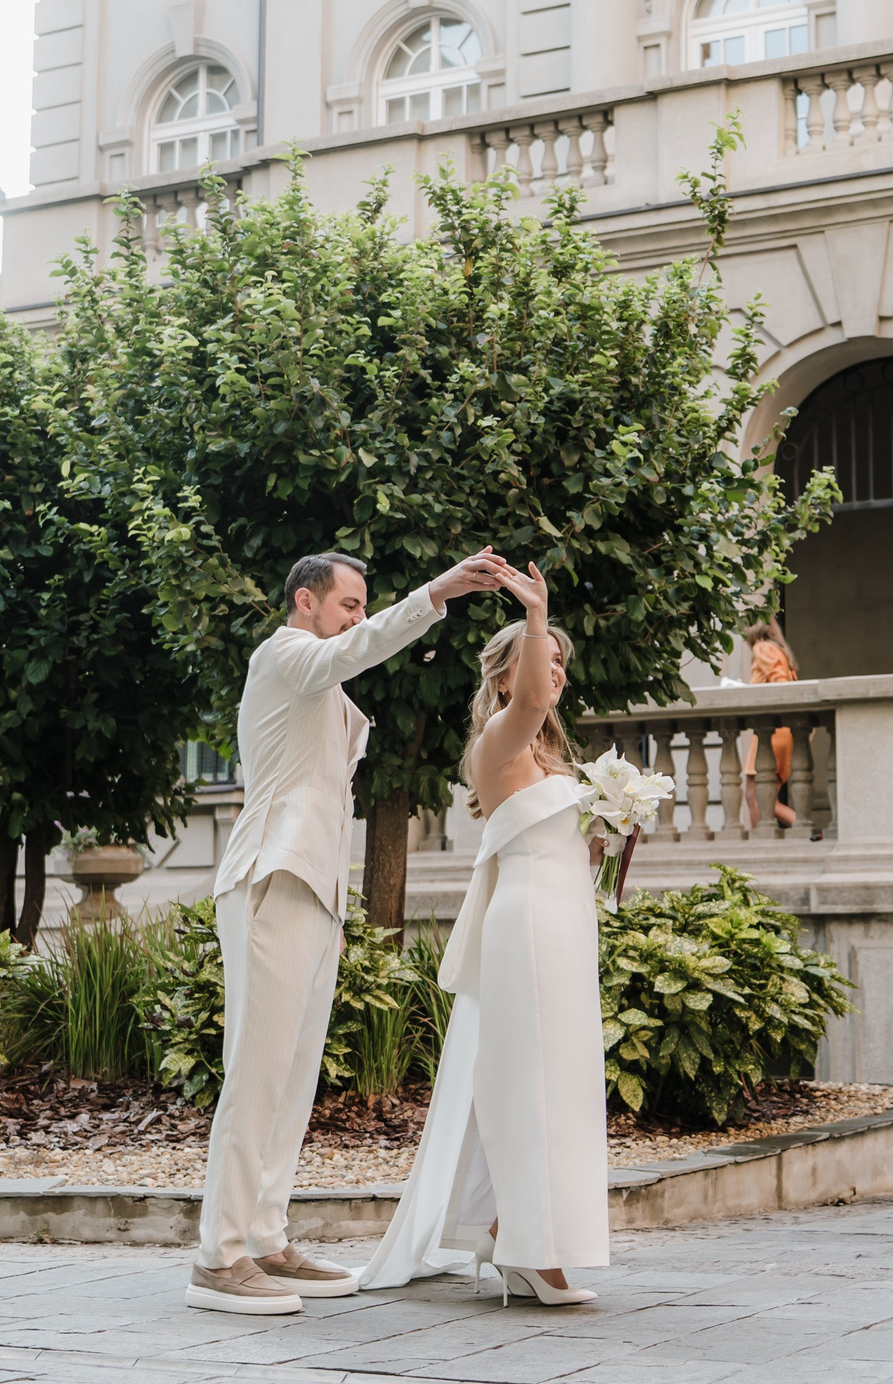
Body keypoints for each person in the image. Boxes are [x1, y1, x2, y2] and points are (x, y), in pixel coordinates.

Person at [188, 545, 517, 1318]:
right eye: (348, 602)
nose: (358, 616)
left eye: (364, 604)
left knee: (295, 1077)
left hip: (311, 891)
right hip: (270, 875)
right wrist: (435, 593)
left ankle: (265, 1236)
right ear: (306, 601)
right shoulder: (287, 653)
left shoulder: (322, 679)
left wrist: (336, 909)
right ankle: (219, 1253)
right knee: (258, 1072)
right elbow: (357, 650)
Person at [360, 559, 608, 1306]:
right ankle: (524, 1242)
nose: (553, 673)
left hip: (566, 925)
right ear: (503, 679)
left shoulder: (547, 759)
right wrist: (535, 613)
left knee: (561, 1083)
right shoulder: (502, 738)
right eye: (543, 660)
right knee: (528, 1083)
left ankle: (518, 1232)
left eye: (562, 661)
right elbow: (533, 698)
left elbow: (565, 846)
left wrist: (607, 835)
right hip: (526, 926)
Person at [735, 621, 800, 832]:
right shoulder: (779, 649)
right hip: (783, 731)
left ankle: (762, 838)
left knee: (753, 795)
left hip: (772, 732)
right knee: (767, 797)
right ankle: (803, 825)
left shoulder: (762, 647)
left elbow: (780, 685)